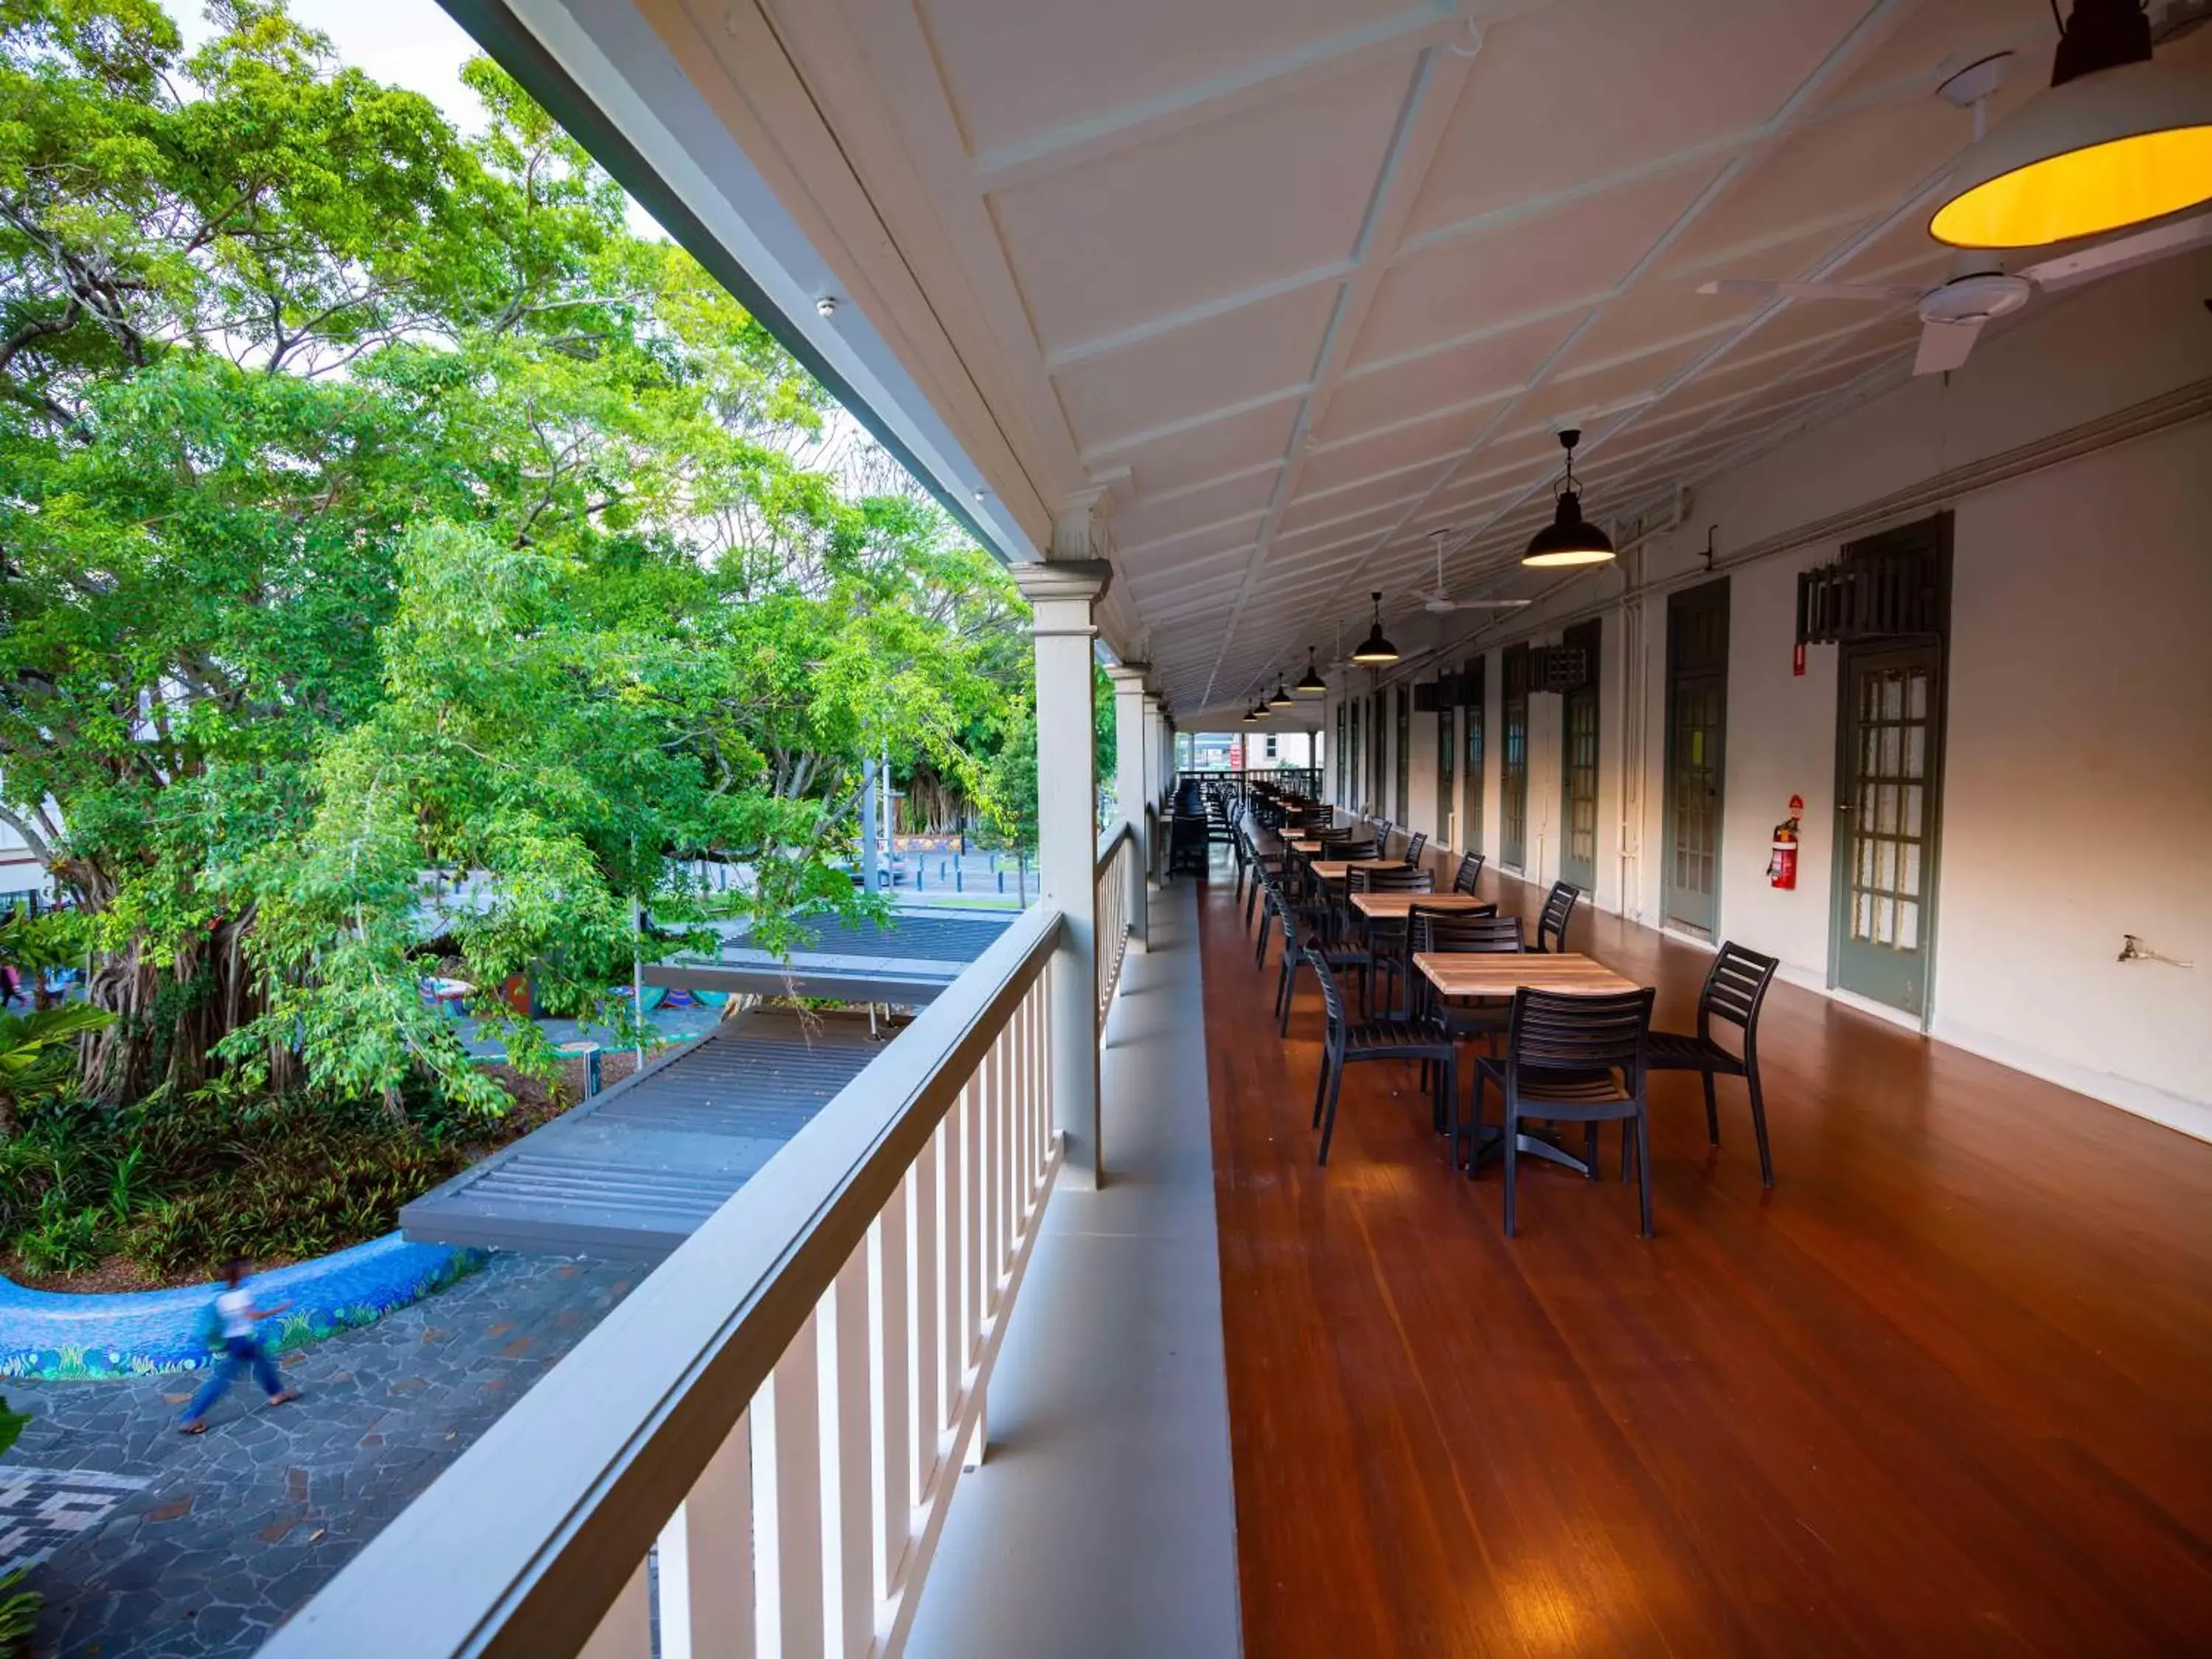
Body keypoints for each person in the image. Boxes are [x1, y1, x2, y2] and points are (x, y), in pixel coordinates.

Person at [178, 1258, 299, 1433]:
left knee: (262, 1361)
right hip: (240, 1342)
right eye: (247, 1266)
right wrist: (279, 1309)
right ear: (240, 1272)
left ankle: (277, 1394)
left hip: (236, 1341)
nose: (250, 1268)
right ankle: (190, 1417)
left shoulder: (223, 1297)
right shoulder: (242, 1294)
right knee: (221, 1380)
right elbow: (254, 1316)